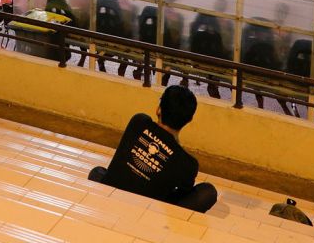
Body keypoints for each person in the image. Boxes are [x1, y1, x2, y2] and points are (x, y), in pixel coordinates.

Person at [89, 85, 218, 213]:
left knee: (97, 172)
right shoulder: (188, 164)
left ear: (158, 110)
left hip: (111, 195)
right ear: (189, 120)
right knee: (208, 192)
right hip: (148, 212)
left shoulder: (139, 121)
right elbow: (182, 194)